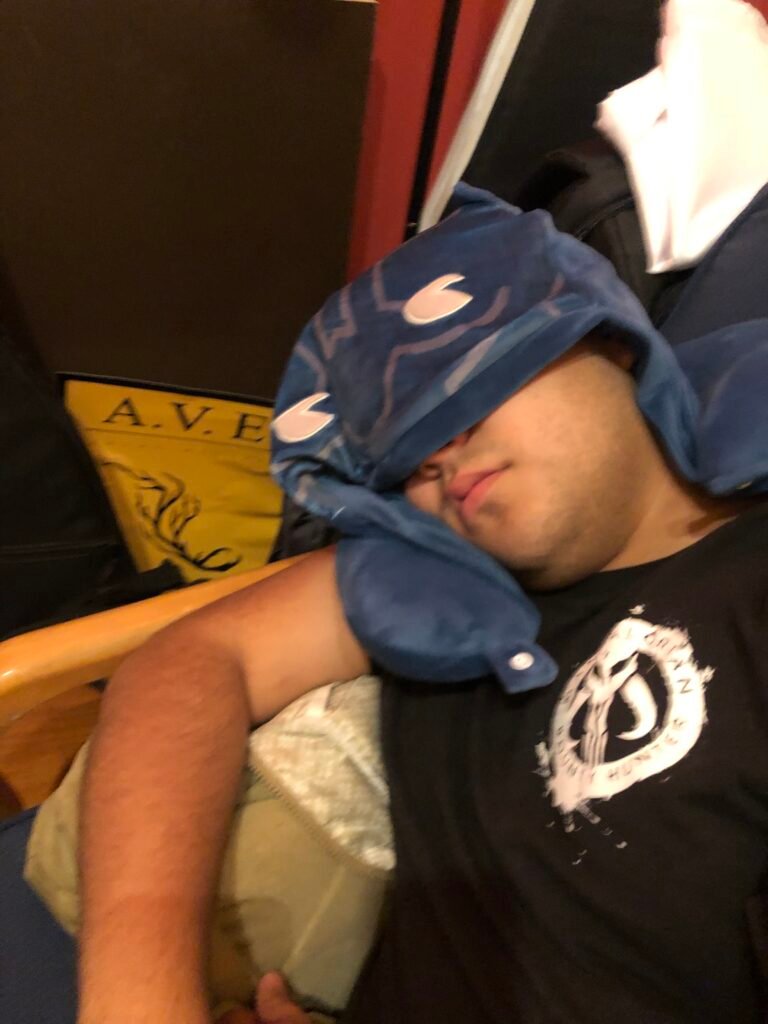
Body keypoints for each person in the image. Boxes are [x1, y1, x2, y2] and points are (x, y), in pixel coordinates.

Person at [77, 190, 768, 1024]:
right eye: (403, 454)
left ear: (611, 342)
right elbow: (190, 662)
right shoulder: (431, 585)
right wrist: (143, 997)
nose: (436, 453)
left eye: (468, 384)